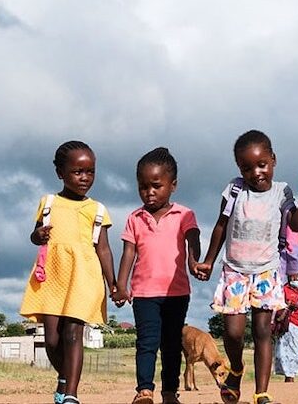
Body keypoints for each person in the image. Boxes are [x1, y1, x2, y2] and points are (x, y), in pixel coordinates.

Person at [195, 130, 298, 404]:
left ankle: (261, 392)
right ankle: (237, 368)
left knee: (263, 331)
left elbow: (296, 224)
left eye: (261, 164)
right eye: (247, 167)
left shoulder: (281, 191)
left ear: (273, 160)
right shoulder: (234, 189)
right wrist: (208, 259)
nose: (256, 172)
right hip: (234, 271)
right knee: (233, 333)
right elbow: (221, 225)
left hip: (266, 271)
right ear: (239, 169)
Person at [20, 140, 120, 404]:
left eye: (90, 171)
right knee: (52, 339)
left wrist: (113, 283)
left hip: (84, 276)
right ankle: (64, 379)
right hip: (52, 276)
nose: (85, 178)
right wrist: (36, 235)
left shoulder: (98, 210)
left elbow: (105, 250)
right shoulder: (48, 203)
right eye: (78, 172)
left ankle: (71, 395)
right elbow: (36, 236)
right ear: (60, 173)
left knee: (73, 333)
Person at [112, 147, 202, 404]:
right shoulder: (135, 218)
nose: (149, 192)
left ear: (172, 185)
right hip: (144, 293)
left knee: (172, 344)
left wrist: (195, 262)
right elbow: (128, 253)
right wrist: (121, 285)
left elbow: (192, 239)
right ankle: (144, 390)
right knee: (147, 342)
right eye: (142, 186)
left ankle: (170, 392)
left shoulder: (184, 214)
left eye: (156, 185)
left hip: (177, 292)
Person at [273, 273, 298, 382]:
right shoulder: (284, 289)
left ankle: (292, 375)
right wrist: (289, 306)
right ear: (289, 277)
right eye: (293, 277)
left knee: (297, 351)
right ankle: (288, 377)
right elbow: (279, 304)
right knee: (287, 351)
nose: (296, 279)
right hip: (289, 323)